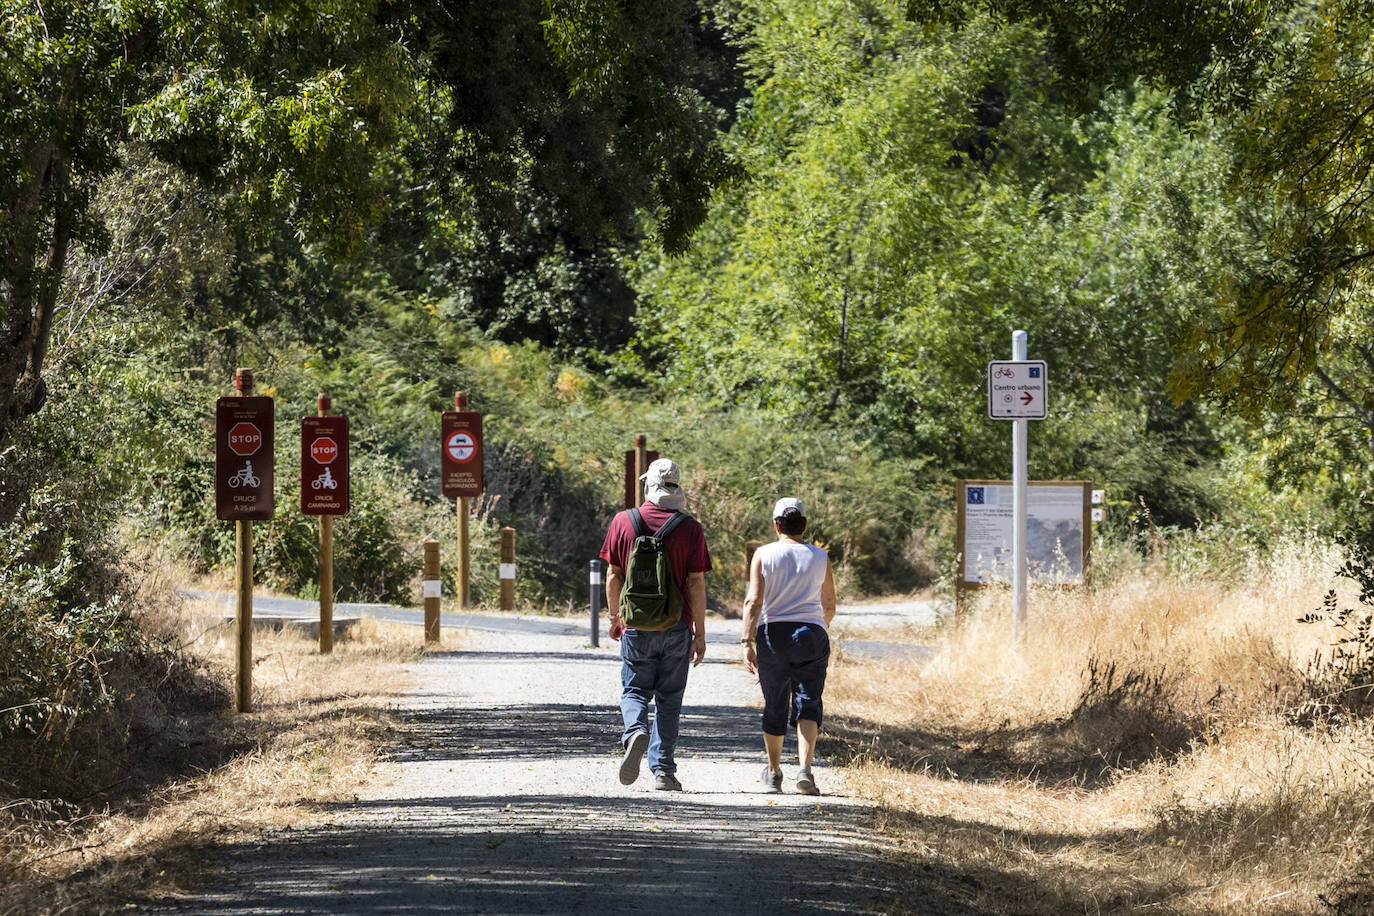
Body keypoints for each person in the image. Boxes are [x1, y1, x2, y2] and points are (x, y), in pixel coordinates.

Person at [601, 458, 711, 791]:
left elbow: (613, 576)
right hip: (677, 626)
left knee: (634, 689)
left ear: (649, 486)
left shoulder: (624, 521)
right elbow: (696, 584)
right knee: (669, 698)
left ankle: (635, 731)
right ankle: (663, 770)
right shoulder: (690, 528)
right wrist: (700, 634)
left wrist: (615, 617)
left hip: (636, 625)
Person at [740, 497, 835, 795]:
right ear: (804, 525)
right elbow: (829, 603)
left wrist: (747, 641)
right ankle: (805, 771)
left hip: (773, 634)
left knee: (776, 701)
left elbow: (753, 601)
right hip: (811, 632)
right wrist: (820, 627)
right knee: (809, 701)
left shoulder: (763, 554)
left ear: (776, 525)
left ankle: (773, 773)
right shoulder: (820, 557)